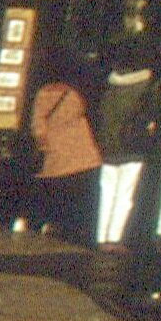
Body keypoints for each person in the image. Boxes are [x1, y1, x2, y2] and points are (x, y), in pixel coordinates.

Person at [26, 64, 103, 244]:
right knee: (78, 200)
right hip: (84, 155)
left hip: (58, 155)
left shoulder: (44, 94)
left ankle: (55, 229)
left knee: (58, 195)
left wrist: (43, 146)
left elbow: (38, 127)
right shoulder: (74, 94)